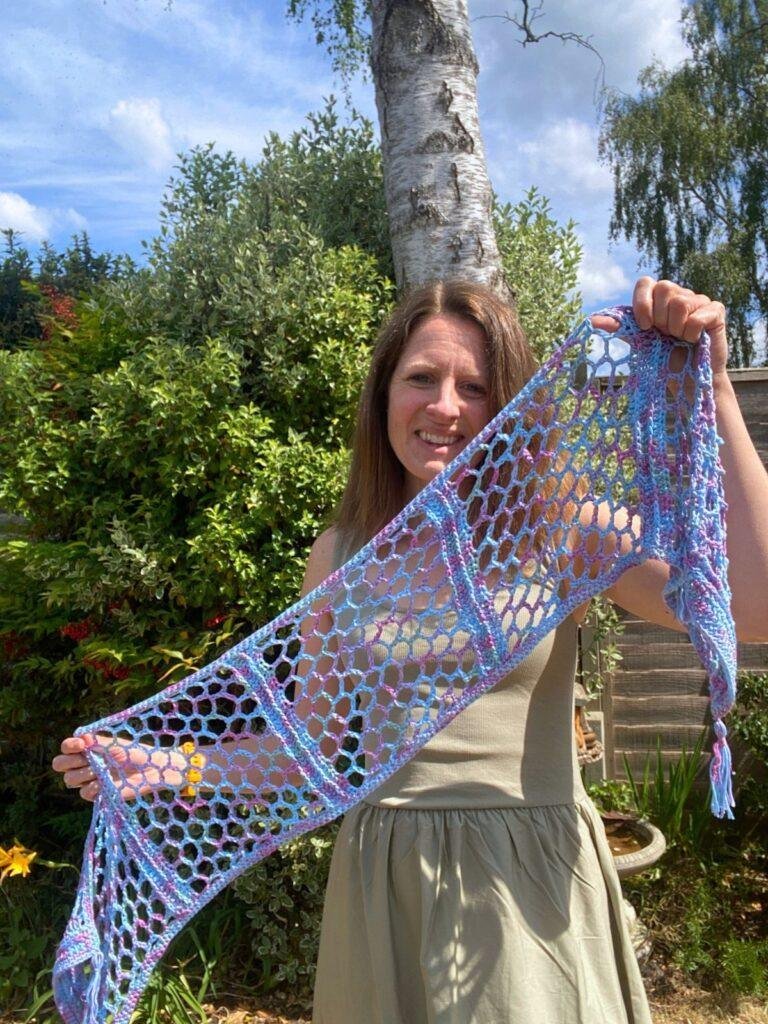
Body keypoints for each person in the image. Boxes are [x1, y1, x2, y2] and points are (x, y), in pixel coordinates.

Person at [53, 276, 768, 1023]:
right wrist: (169, 766)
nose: (446, 407)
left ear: (508, 405)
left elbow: (754, 608)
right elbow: (316, 753)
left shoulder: (561, 530)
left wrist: (714, 386)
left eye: (476, 386)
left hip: (526, 882)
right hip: (382, 884)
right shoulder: (340, 556)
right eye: (420, 378)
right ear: (382, 398)